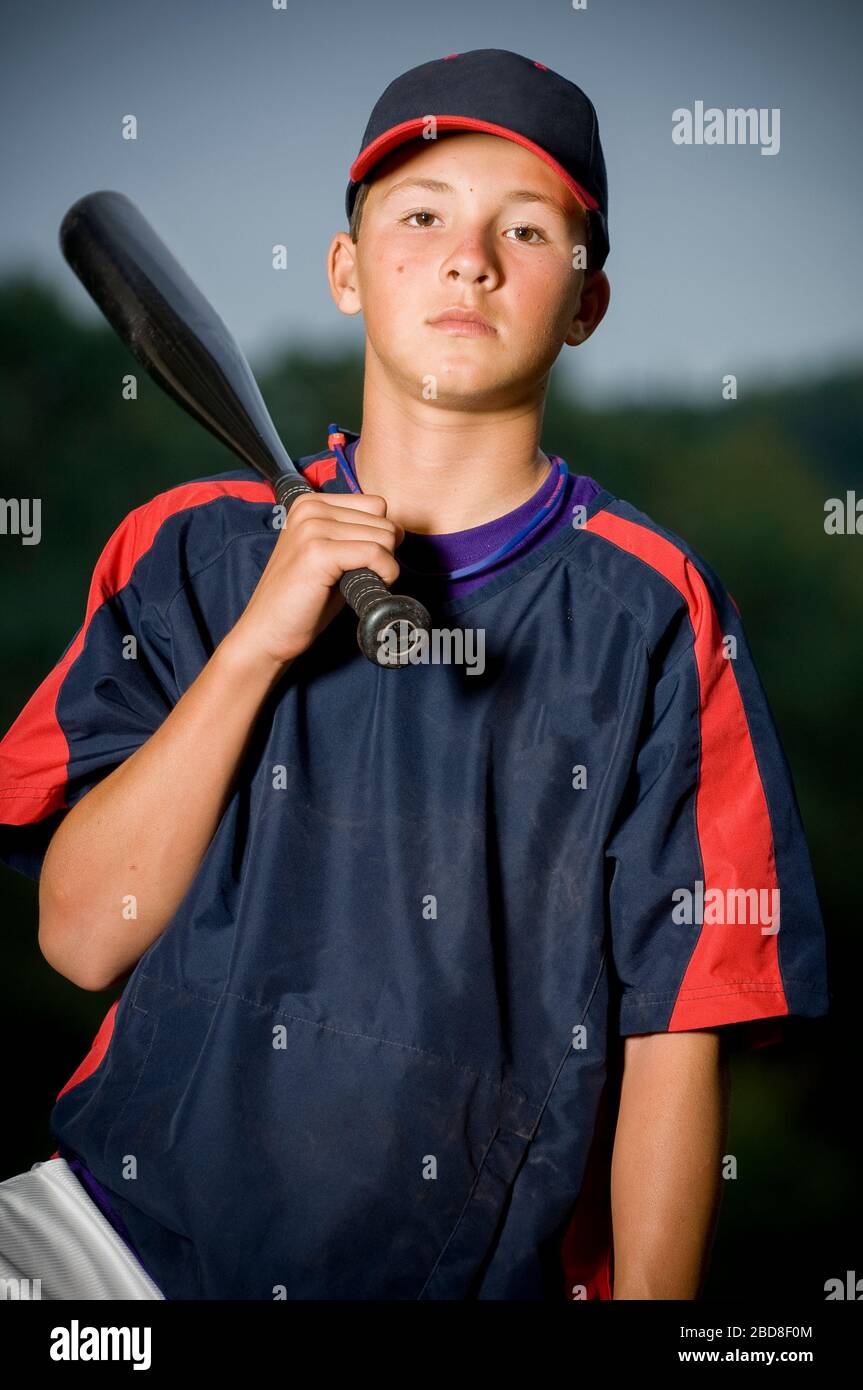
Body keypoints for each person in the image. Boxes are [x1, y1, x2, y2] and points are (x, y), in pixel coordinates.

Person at [0, 48, 829, 1301]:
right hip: (108, 1247)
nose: (469, 257)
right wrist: (258, 641)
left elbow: (680, 1027)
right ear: (346, 270)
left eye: (527, 227)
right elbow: (77, 937)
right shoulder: (194, 547)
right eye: (422, 214)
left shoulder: (651, 609)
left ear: (585, 301)